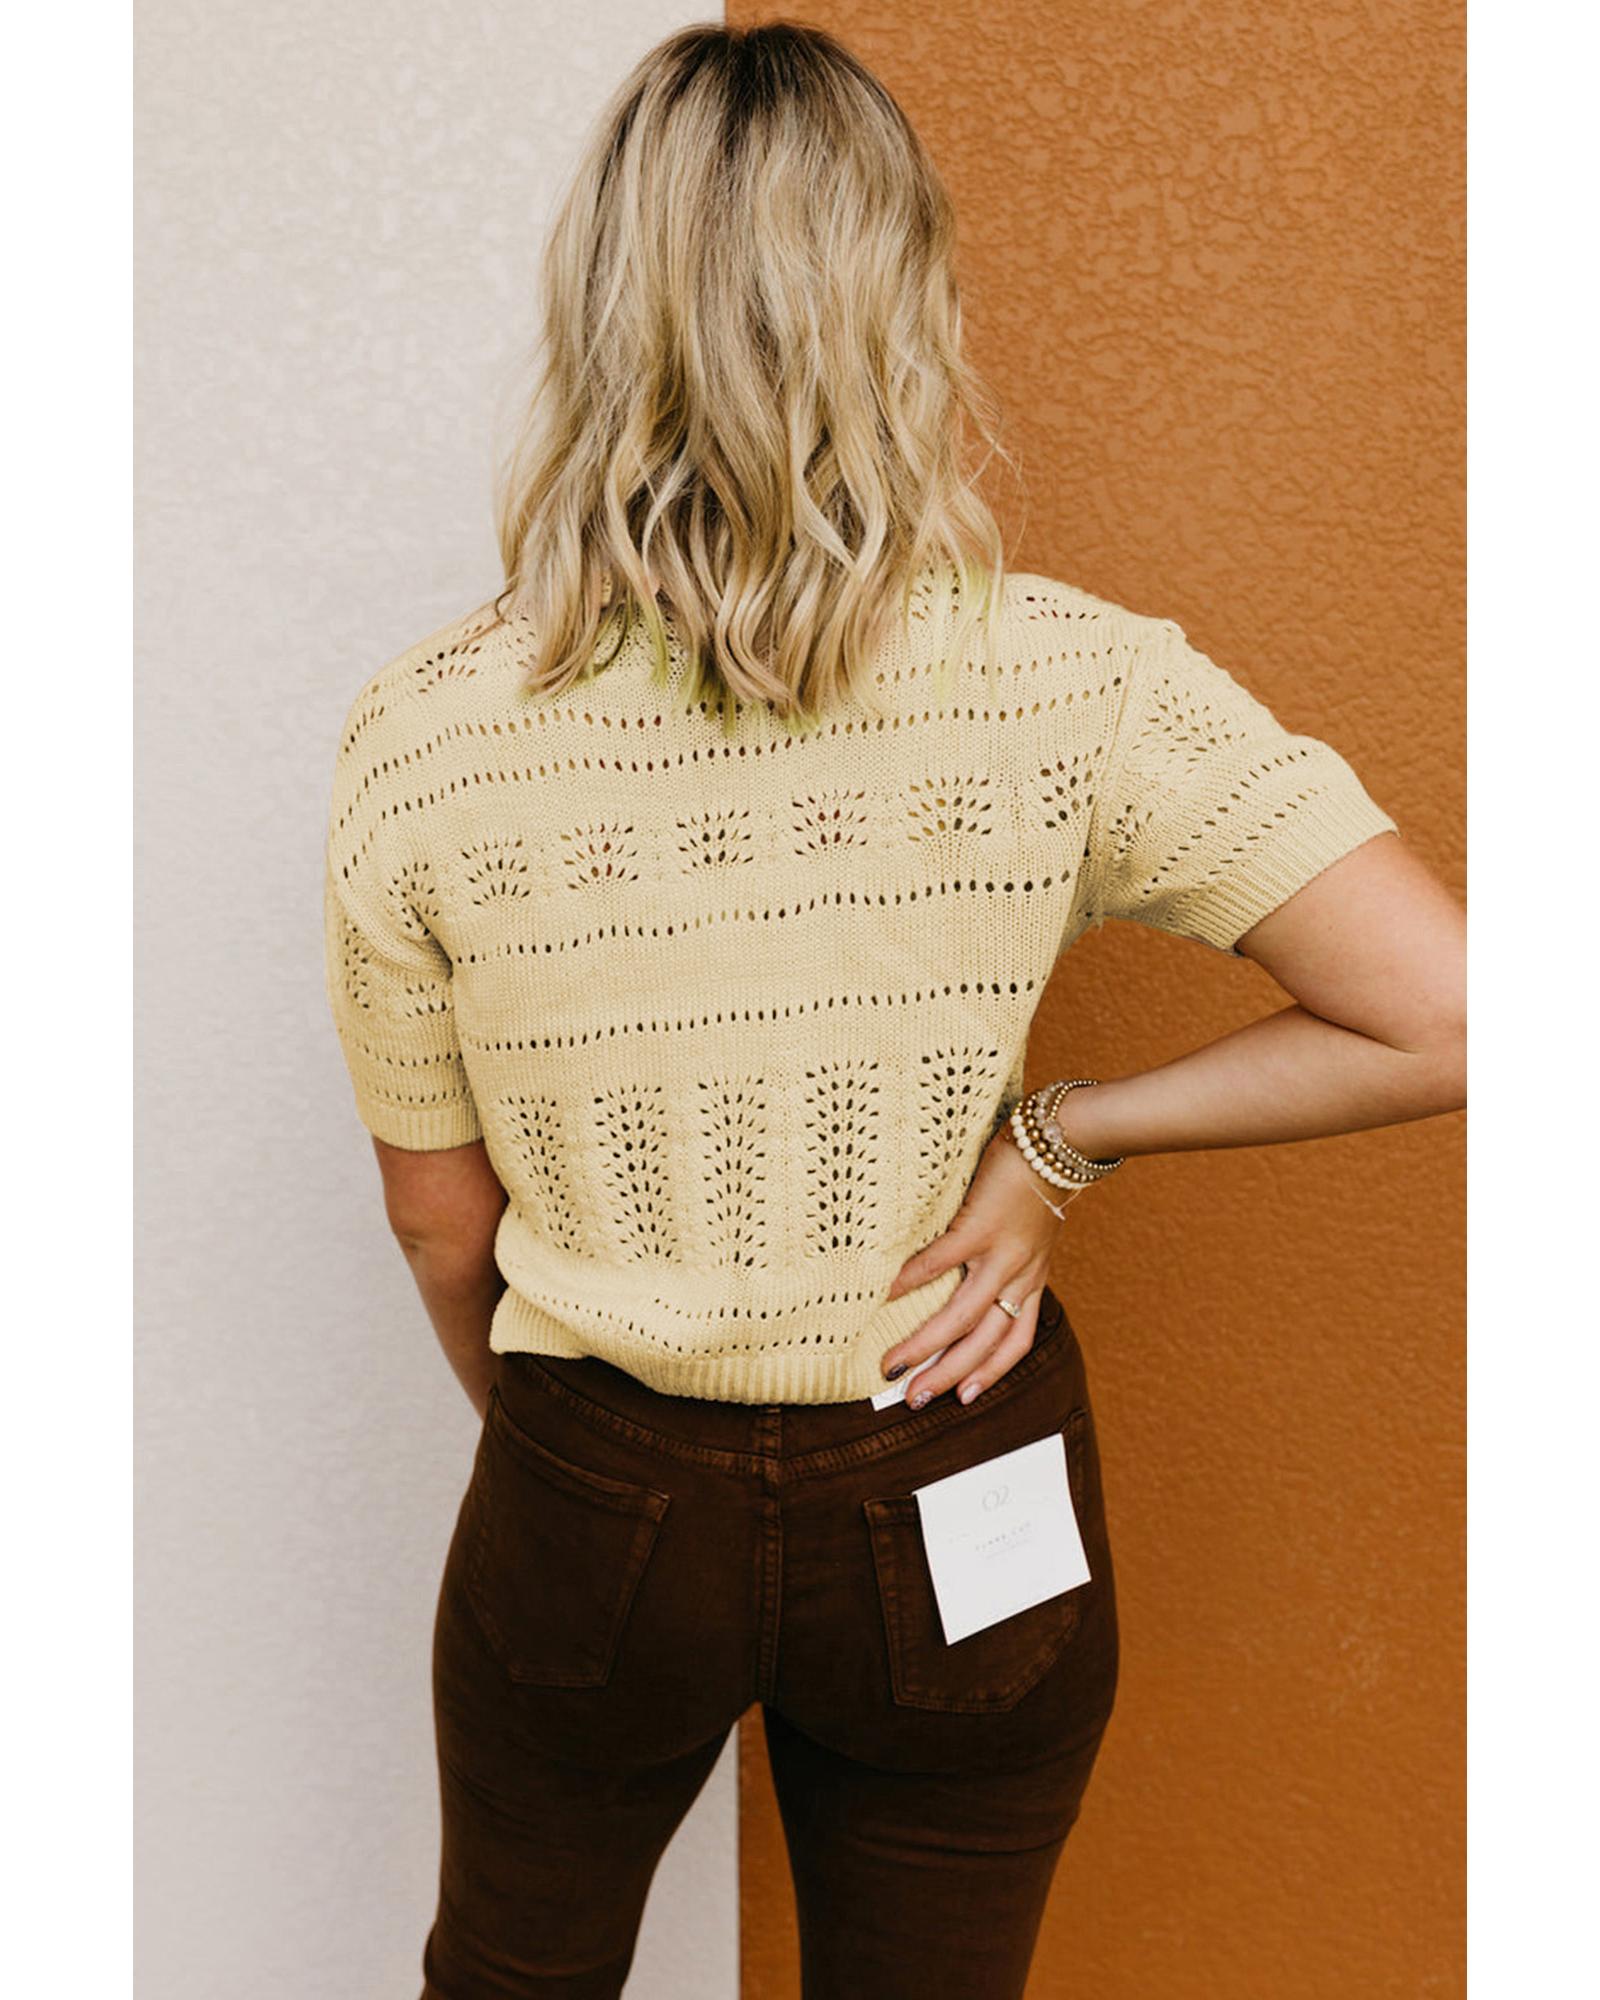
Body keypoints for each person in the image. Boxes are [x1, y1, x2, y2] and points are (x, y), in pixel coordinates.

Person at [320, 22, 1465, 2000]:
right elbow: (1446, 1014)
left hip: (598, 1473)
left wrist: (583, 1466)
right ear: (907, 301)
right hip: (952, 1457)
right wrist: (1058, 1140)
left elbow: (441, 1225)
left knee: (509, 1976)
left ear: (599, 310)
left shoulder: (426, 737)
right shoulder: (1075, 681)